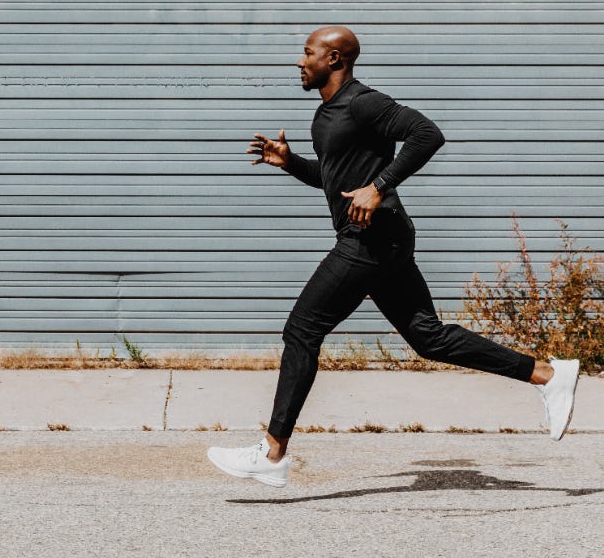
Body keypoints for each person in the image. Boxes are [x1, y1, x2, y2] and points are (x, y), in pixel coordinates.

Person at [206, 26, 580, 489]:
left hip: (370, 241)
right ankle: (547, 374)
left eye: (308, 53)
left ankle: (273, 451)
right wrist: (292, 162)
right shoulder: (326, 115)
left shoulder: (364, 102)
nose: (299, 62)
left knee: (302, 329)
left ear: (335, 59)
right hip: (384, 239)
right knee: (429, 338)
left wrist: (379, 187)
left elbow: (427, 134)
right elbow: (336, 177)